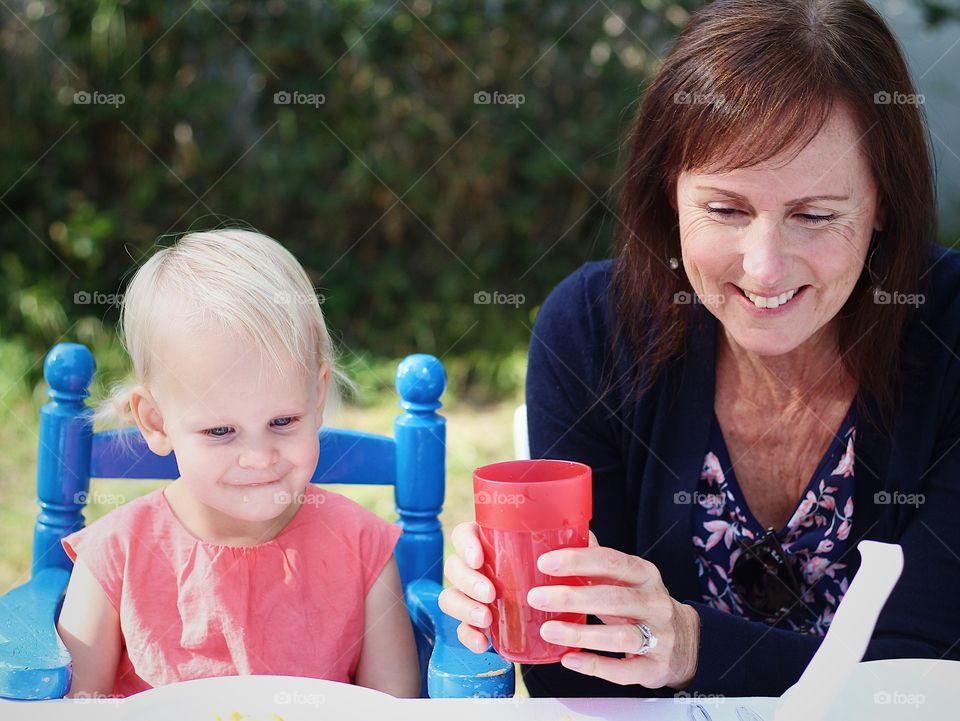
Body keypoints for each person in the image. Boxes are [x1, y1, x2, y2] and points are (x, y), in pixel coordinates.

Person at [439, 0, 960, 699]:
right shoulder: (594, 332)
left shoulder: (951, 332)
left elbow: (921, 676)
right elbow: (571, 664)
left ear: (883, 206)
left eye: (815, 215)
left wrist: (689, 643)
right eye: (725, 209)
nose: (765, 266)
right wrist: (516, 599)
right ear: (669, 194)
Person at [56, 230, 420, 698]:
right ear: (156, 421)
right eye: (220, 431)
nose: (259, 457)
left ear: (317, 394)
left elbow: (393, 707)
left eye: (283, 420)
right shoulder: (117, 555)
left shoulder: (361, 548)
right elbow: (78, 707)